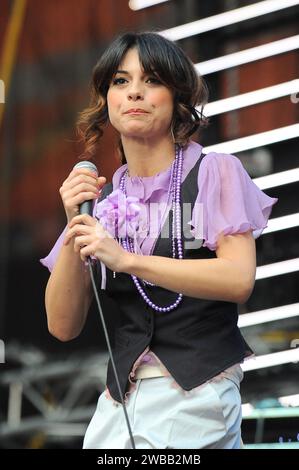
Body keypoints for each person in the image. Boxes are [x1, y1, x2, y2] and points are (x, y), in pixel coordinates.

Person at [40, 31, 278, 449]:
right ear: (106, 100)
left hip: (198, 390)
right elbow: (62, 325)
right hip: (121, 399)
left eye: (151, 81)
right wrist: (72, 226)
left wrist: (128, 261)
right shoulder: (103, 200)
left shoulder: (213, 171)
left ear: (177, 99)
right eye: (120, 81)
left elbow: (238, 278)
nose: (134, 92)